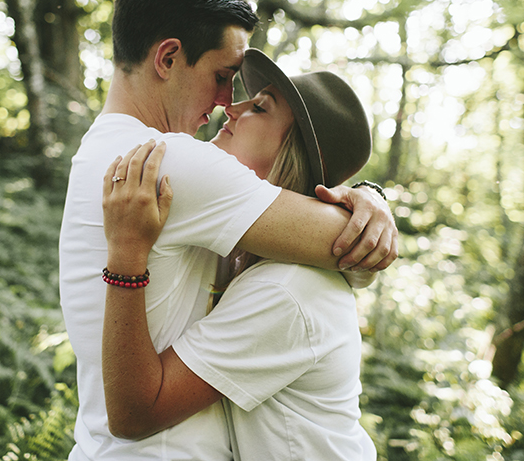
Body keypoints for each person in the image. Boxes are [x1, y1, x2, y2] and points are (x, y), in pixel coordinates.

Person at [58, 0, 397, 461]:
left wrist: (369, 193)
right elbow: (351, 246)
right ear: (168, 58)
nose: (225, 103)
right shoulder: (168, 162)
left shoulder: (102, 150)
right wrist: (372, 210)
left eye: (253, 102)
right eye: (223, 76)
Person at [101, 48, 380, 460]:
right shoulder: (245, 254)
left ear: (292, 152)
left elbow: (133, 416)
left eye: (260, 107)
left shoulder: (284, 288)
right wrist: (373, 195)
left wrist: (125, 253)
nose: (231, 108)